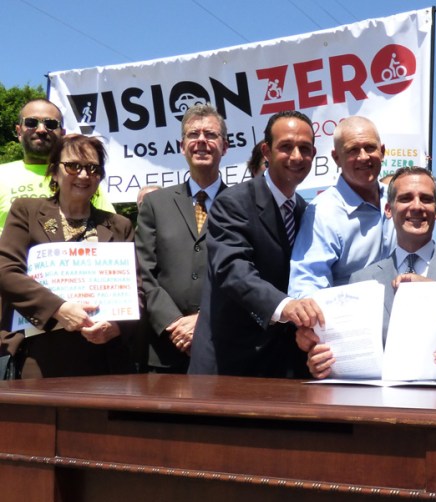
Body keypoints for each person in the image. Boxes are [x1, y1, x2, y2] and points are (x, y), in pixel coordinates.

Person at [304, 166, 436, 381]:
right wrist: (326, 365)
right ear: (388, 210)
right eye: (406, 198)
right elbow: (347, 353)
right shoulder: (361, 281)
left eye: (426, 199)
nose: (416, 207)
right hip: (380, 406)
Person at [188, 111, 324, 377]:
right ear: (267, 151)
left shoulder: (306, 211)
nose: (296, 156)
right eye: (286, 146)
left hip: (283, 367)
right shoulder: (233, 202)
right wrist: (286, 306)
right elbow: (232, 269)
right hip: (228, 367)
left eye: (305, 149)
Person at [0, 134, 136, 378]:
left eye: (93, 168)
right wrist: (58, 308)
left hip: (104, 358)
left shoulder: (120, 225)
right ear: (54, 171)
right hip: (40, 354)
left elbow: (139, 289)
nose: (83, 175)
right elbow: (5, 271)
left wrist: (116, 327)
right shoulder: (26, 211)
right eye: (73, 166)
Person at [135, 104, 229, 373]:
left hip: (221, 346)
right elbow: (144, 274)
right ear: (181, 145)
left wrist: (203, 321)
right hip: (164, 348)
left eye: (210, 134)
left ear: (225, 146)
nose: (201, 141)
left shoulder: (241, 204)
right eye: (193, 134)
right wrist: (174, 323)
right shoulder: (155, 203)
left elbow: (245, 275)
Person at [288, 116, 395, 297]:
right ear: (336, 158)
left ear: (382, 151)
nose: (363, 157)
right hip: (351, 321)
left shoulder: (400, 199)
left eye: (370, 147)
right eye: (353, 150)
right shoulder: (322, 212)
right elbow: (306, 285)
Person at [0, 98, 114, 234]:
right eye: (31, 122)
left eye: (51, 124)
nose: (41, 129)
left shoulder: (83, 179)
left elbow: (109, 228)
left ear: (62, 134)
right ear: (19, 131)